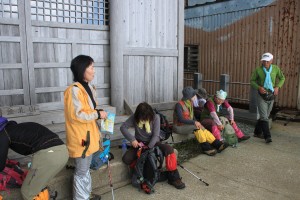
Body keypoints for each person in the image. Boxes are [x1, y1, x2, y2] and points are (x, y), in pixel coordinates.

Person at [64, 55, 107, 200]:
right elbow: (78, 115)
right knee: (81, 171)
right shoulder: (74, 90)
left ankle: (85, 195)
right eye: (92, 67)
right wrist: (98, 114)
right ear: (82, 69)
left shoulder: (88, 87)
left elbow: (90, 111)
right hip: (81, 138)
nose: (94, 71)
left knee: (85, 169)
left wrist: (99, 114)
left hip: (89, 136)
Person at [120, 102, 185, 189]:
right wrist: (132, 140)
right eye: (142, 118)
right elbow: (123, 127)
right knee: (126, 159)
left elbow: (155, 136)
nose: (144, 119)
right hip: (139, 143)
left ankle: (174, 177)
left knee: (169, 149)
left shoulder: (155, 117)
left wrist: (148, 147)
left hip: (153, 142)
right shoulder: (135, 117)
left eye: (146, 117)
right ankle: (141, 171)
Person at [0, 120, 69, 200]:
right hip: (63, 152)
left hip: (48, 155)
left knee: (27, 193)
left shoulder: (3, 134)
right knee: (39, 186)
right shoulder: (18, 128)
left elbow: (1, 165)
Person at [173, 87, 228, 155]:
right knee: (197, 128)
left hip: (188, 125)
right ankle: (206, 148)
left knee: (202, 128)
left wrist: (197, 122)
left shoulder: (190, 102)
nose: (195, 96)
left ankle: (218, 144)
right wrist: (194, 122)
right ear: (189, 96)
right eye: (194, 95)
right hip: (179, 126)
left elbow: (192, 117)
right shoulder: (179, 105)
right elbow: (181, 119)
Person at [250, 52, 285, 143]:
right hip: (261, 95)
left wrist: (277, 87)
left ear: (271, 60)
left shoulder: (276, 69)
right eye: (264, 61)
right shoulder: (258, 70)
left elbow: (282, 78)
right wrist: (259, 87)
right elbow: (252, 81)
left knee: (265, 115)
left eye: (267, 61)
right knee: (264, 117)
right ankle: (267, 137)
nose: (265, 63)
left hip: (271, 94)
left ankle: (257, 132)